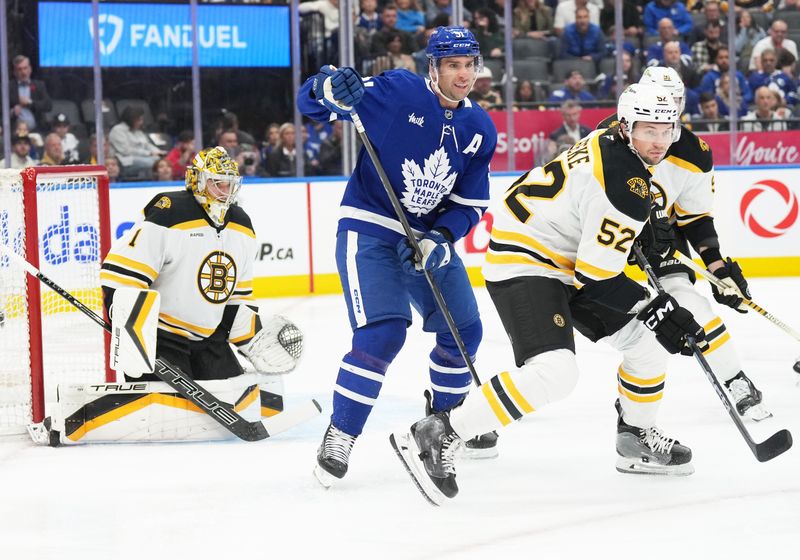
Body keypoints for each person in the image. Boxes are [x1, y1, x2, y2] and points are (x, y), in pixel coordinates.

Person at [391, 83, 704, 504]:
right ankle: (440, 431)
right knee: (557, 372)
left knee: (646, 344)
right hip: (526, 262)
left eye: (667, 130)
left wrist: (641, 233)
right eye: (649, 130)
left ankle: (634, 437)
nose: (659, 142)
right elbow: (600, 278)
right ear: (628, 126)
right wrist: (659, 308)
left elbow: (592, 213)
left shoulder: (611, 132)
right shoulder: (624, 184)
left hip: (560, 254)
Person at [297, 25, 498, 487]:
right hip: (371, 229)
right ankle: (341, 435)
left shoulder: (479, 128)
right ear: (433, 68)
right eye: (453, 66)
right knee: (384, 334)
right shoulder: (397, 91)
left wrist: (441, 237)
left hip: (426, 239)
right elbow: (313, 103)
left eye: (470, 65)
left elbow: (469, 203)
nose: (463, 75)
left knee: (464, 329)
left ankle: (443, 426)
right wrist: (327, 87)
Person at [81, 146, 302, 443]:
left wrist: (253, 340)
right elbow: (120, 277)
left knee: (237, 401)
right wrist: (135, 341)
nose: (225, 191)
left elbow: (237, 298)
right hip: (163, 338)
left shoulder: (242, 225)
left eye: (230, 183)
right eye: (217, 182)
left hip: (210, 339)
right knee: (171, 421)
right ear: (197, 180)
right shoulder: (170, 212)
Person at [601, 67, 769, 418]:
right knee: (639, 335)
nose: (666, 107)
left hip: (662, 237)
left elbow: (695, 218)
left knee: (691, 305)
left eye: (675, 101)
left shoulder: (694, 153)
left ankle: (735, 378)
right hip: (606, 232)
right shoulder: (611, 134)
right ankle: (634, 402)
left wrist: (717, 265)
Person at [109, 106, 165, 179]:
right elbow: (126, 151)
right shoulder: (117, 130)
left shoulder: (138, 131)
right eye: (139, 120)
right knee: (154, 163)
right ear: (131, 120)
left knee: (162, 161)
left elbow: (147, 145)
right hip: (126, 161)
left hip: (144, 157)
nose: (141, 122)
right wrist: (149, 153)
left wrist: (158, 152)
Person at [9, 55, 52, 132]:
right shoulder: (8, 87)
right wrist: (12, 113)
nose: (23, 72)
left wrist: (30, 102)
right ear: (15, 72)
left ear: (30, 69)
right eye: (19, 69)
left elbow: (48, 105)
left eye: (25, 68)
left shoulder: (39, 85)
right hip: (15, 132)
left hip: (37, 130)